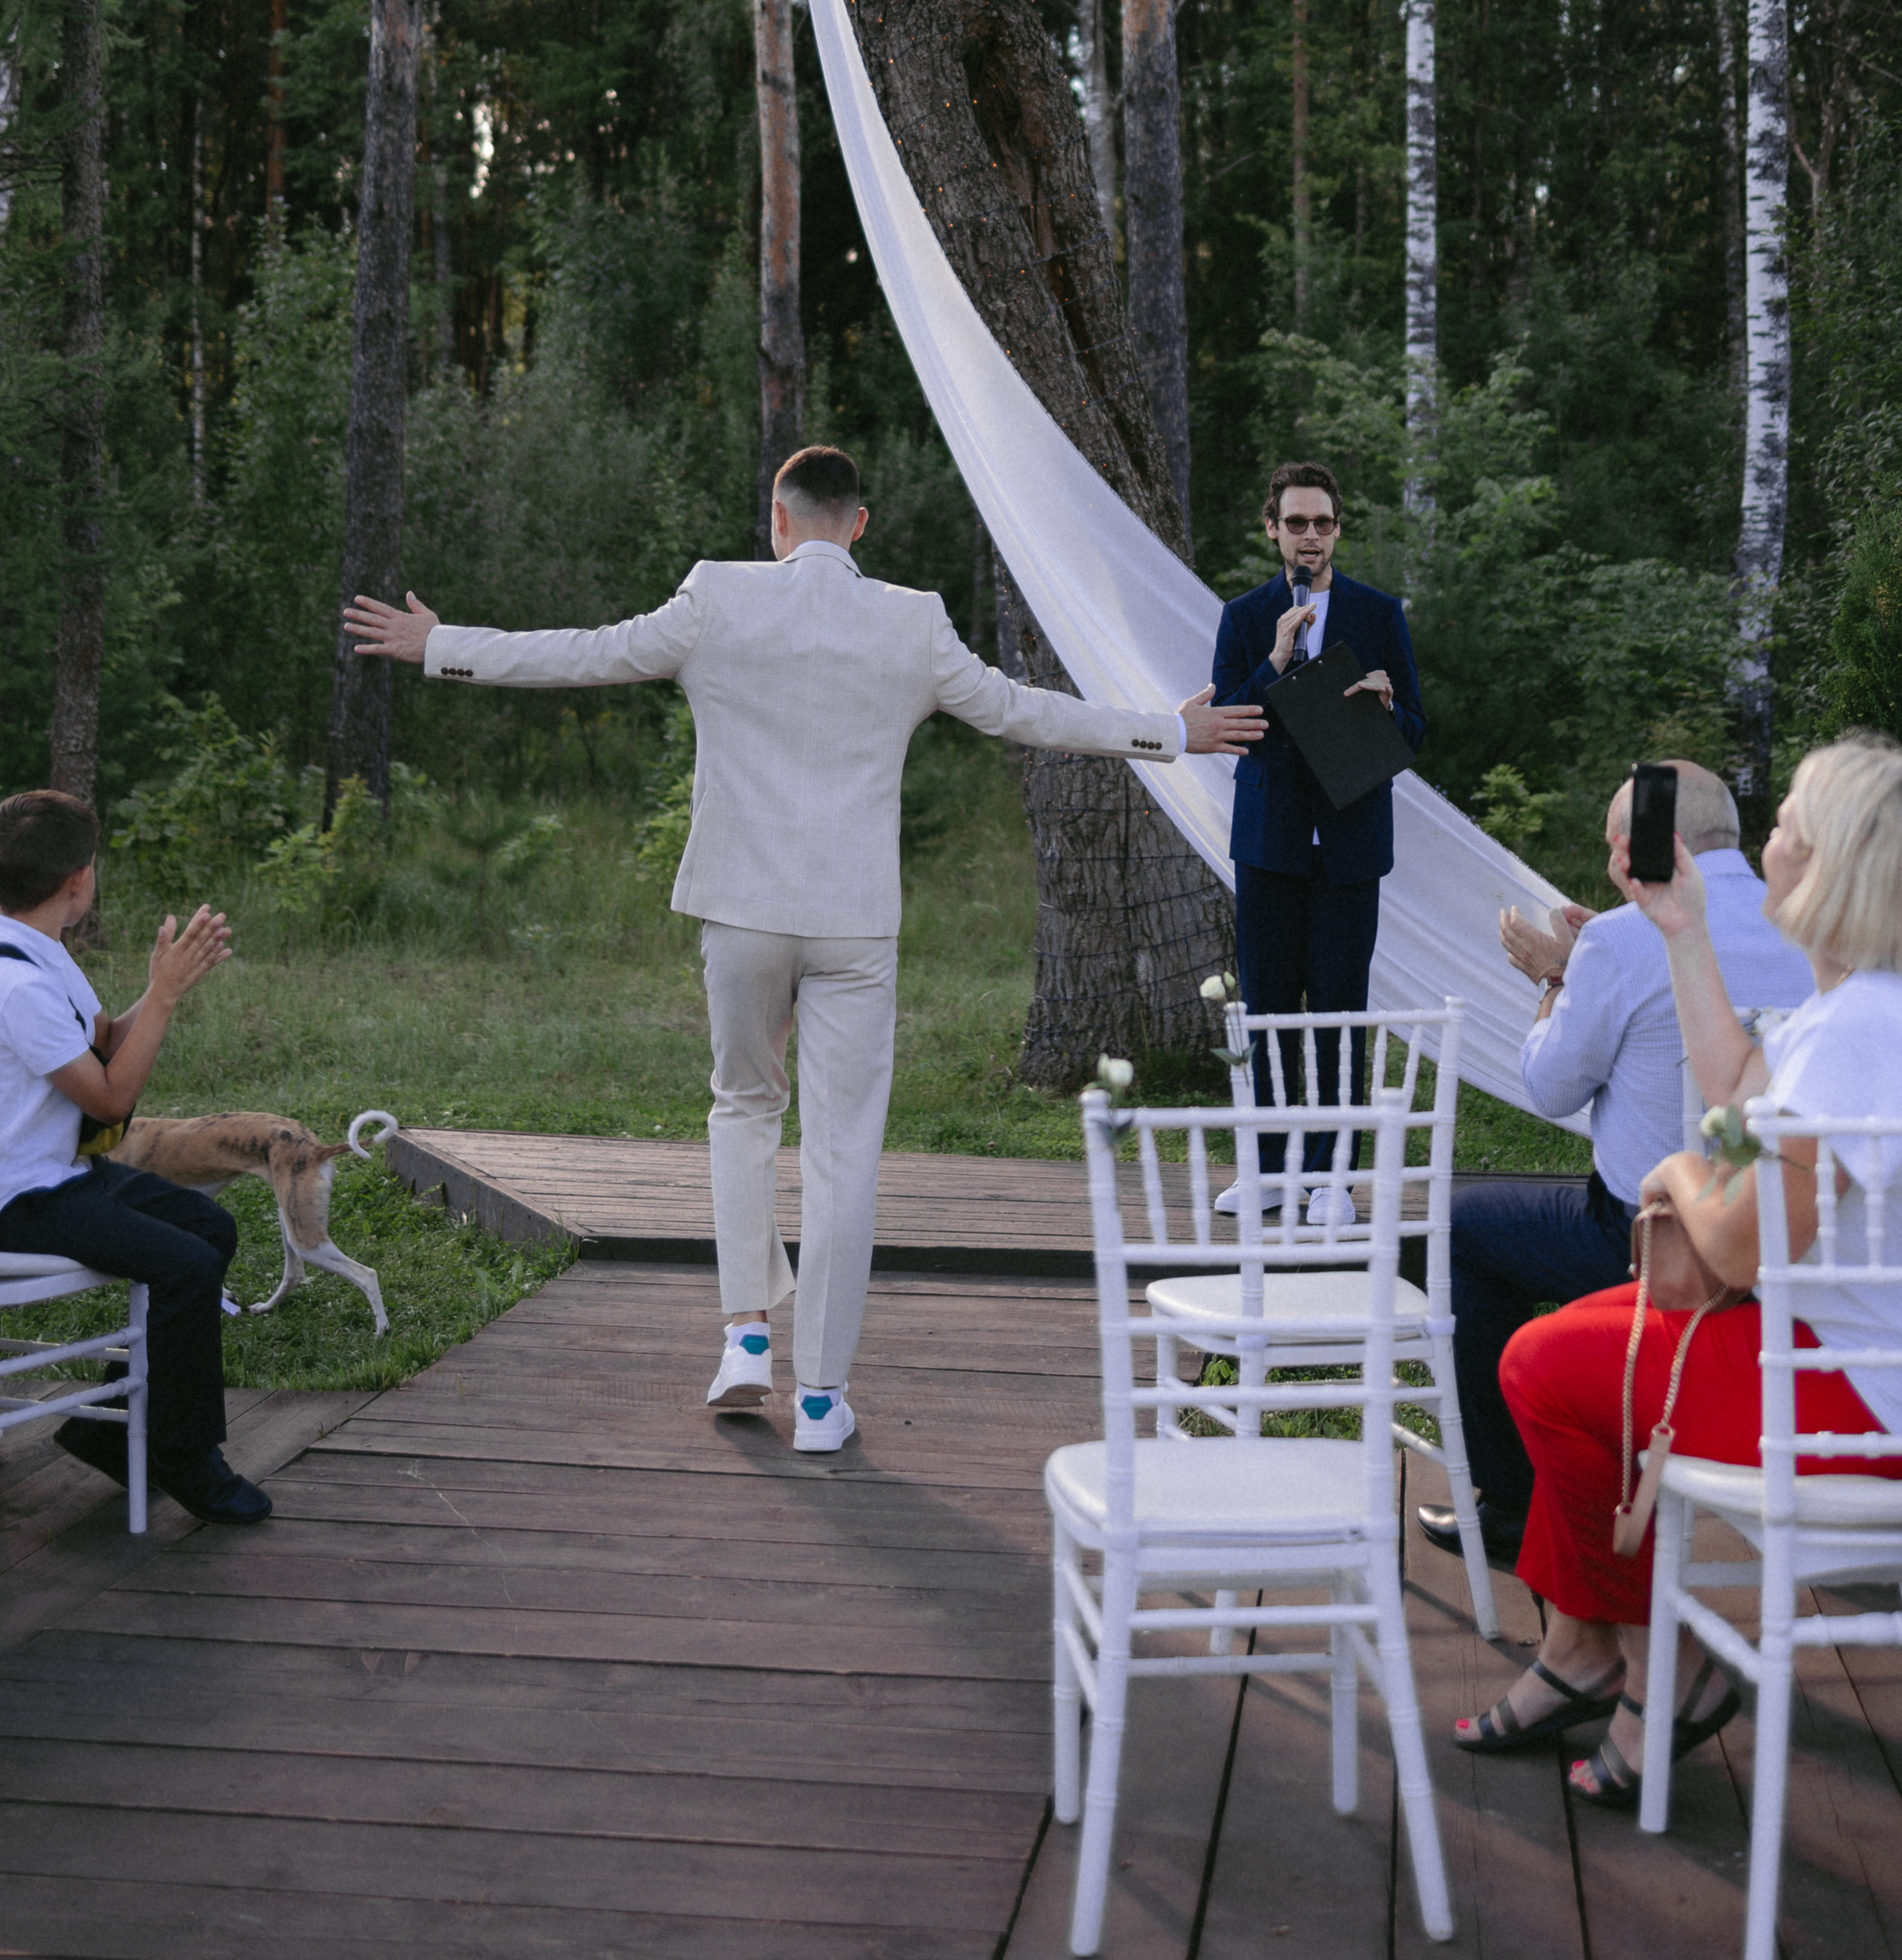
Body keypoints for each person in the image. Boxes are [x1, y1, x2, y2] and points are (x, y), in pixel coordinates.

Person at [344, 444, 1264, 1453]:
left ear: (776, 520)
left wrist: (440, 644)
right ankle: (822, 1400)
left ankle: (745, 1337)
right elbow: (1026, 711)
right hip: (852, 923)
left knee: (743, 1107)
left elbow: (582, 653)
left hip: (740, 911)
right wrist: (1168, 733)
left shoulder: (715, 597)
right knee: (843, 1153)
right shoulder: (912, 620)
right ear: (858, 524)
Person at [1455, 739, 1902, 1807]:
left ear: (1831, 864)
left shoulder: (1864, 1032)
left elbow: (1738, 1243)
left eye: (1785, 827)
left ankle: (1651, 1660)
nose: (1765, 846)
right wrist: (1680, 929)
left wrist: (1677, 1173)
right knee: (1590, 1342)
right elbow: (1739, 1088)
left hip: (1863, 1411)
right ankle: (1582, 1647)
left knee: (1540, 1363)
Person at [1420, 760, 1813, 1568]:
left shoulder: (1617, 941)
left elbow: (1549, 1086)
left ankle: (1514, 1501)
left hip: (1650, 1243)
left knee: (1463, 1228)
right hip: (1789, 1239)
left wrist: (1557, 979)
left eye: (1613, 844)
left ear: (1645, 846)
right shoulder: (1809, 931)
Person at [0, 790, 270, 1524]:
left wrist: (157, 988)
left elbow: (101, 1042)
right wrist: (165, 999)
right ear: (78, 880)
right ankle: (187, 1456)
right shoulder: (16, 983)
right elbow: (111, 1100)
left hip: (60, 1175)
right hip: (19, 1199)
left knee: (209, 1227)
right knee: (184, 1266)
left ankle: (114, 1433)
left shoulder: (39, 951)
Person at [1208, 462, 1423, 1220]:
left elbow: (1416, 729)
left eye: (1322, 523)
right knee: (1267, 1005)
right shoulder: (1243, 617)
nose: (1309, 536)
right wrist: (1273, 661)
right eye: (1295, 522)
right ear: (1272, 528)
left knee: (1337, 1006)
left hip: (1350, 839)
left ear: (1337, 530)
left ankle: (1333, 1179)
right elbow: (1226, 723)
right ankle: (1271, 1171)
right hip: (1269, 839)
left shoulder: (1378, 613)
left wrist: (1387, 706)